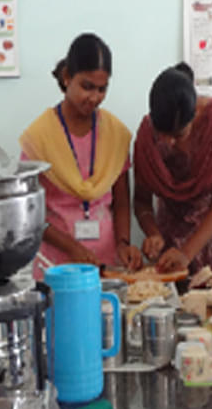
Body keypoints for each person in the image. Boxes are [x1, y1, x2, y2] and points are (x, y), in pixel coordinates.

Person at [19, 33, 141, 278]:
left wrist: (124, 243)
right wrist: (71, 247)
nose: (94, 97)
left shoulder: (115, 135)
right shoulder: (40, 137)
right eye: (87, 86)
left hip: (104, 264)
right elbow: (29, 212)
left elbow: (121, 201)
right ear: (67, 78)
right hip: (56, 264)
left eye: (102, 89)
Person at [133, 62, 212, 274]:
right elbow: (141, 200)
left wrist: (187, 253)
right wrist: (153, 233)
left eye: (178, 135)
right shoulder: (147, 137)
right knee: (176, 294)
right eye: (162, 134)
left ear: (195, 112)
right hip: (173, 224)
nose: (169, 143)